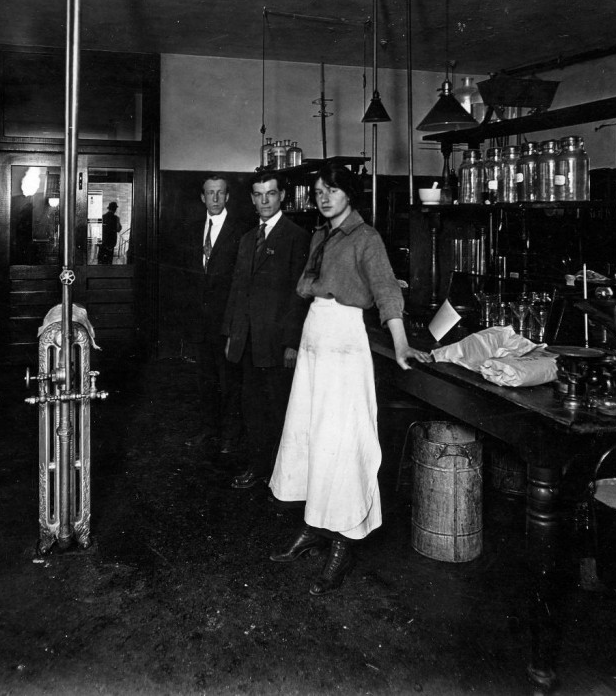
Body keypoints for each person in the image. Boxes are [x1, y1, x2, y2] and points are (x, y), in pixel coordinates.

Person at [268, 163, 432, 596]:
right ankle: (314, 526)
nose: (324, 197)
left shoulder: (366, 238)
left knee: (341, 442)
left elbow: (386, 293)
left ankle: (343, 541)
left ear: (350, 195)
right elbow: (307, 288)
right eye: (319, 191)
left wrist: (399, 345)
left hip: (344, 341)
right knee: (311, 434)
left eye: (332, 191)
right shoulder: (320, 236)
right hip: (315, 338)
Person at [222, 172, 310, 489]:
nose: (264, 201)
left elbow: (299, 297)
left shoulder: (296, 237)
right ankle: (259, 468)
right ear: (251, 199)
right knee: (252, 408)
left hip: (276, 344)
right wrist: (232, 332)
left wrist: (291, 343)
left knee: (277, 410)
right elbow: (237, 289)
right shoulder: (248, 239)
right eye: (258, 195)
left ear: (282, 196)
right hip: (247, 340)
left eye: (270, 194)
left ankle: (282, 475)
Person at [185, 175, 252, 452]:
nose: (214, 198)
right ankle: (209, 430)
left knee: (230, 383)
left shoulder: (241, 230)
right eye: (210, 193)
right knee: (205, 381)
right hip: (201, 323)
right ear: (202, 197)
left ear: (227, 197)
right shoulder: (192, 228)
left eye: (220, 193)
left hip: (227, 322)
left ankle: (229, 437)